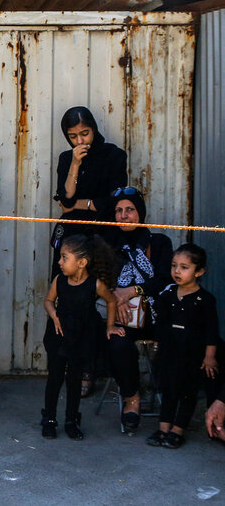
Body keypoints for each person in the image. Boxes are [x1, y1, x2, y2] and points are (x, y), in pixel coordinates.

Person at [53, 106, 127, 397]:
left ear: (94, 129)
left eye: (85, 133)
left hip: (102, 239)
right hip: (72, 238)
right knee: (70, 300)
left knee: (96, 302)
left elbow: (112, 201)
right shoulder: (66, 158)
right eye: (73, 136)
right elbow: (64, 199)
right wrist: (73, 165)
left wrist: (80, 205)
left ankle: (92, 370)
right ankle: (71, 365)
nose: (80, 140)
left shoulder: (113, 155)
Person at [100, 186, 173, 433]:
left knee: (182, 339)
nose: (123, 215)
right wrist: (115, 301)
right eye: (118, 211)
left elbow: (165, 281)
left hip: (157, 315)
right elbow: (100, 282)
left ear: (139, 213)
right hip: (121, 315)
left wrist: (132, 291)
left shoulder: (159, 243)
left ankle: (175, 406)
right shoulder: (106, 245)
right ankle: (132, 398)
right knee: (117, 342)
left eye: (129, 210)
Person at [41, 234, 121, 440]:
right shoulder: (59, 281)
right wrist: (53, 314)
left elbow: (112, 301)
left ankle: (71, 420)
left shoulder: (94, 284)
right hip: (59, 334)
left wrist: (110, 326)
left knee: (74, 379)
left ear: (82, 263)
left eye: (64, 257)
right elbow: (49, 301)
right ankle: (49, 418)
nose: (59, 262)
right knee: (55, 378)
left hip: (81, 336)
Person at [147, 244, 219, 449]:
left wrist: (210, 356)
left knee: (187, 392)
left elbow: (211, 331)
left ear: (199, 271)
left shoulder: (205, 300)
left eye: (184, 267)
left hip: (192, 355)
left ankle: (178, 430)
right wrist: (157, 346)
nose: (177, 271)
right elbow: (160, 324)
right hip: (169, 353)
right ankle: (163, 428)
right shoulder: (168, 297)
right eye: (174, 266)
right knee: (168, 390)